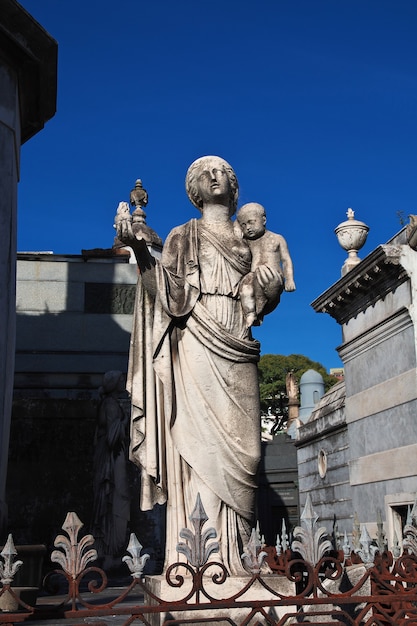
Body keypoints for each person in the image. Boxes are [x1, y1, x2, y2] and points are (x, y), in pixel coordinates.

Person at [116, 156, 282, 575]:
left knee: (248, 452)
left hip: (238, 343)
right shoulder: (181, 236)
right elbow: (166, 295)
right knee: (199, 449)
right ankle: (201, 559)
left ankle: (240, 555)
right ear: (193, 190)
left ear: (234, 185)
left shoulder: (252, 238)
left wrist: (265, 284)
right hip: (196, 341)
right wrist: (139, 250)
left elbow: (268, 289)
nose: (215, 176)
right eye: (204, 173)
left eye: (223, 171)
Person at [92, 371, 130, 566]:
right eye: (122, 379)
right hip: (111, 457)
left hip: (111, 455)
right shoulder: (111, 405)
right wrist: (126, 421)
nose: (124, 381)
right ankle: (110, 548)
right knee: (115, 496)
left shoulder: (109, 403)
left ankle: (110, 548)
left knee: (115, 497)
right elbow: (112, 437)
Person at [236, 202, 296, 327]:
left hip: (274, 277)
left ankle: (258, 310)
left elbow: (286, 260)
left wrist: (289, 280)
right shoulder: (247, 243)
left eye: (251, 222)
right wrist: (237, 226)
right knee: (245, 288)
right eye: (243, 225)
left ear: (263, 220)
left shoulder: (277, 238)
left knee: (262, 274)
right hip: (253, 277)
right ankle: (251, 314)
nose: (247, 227)